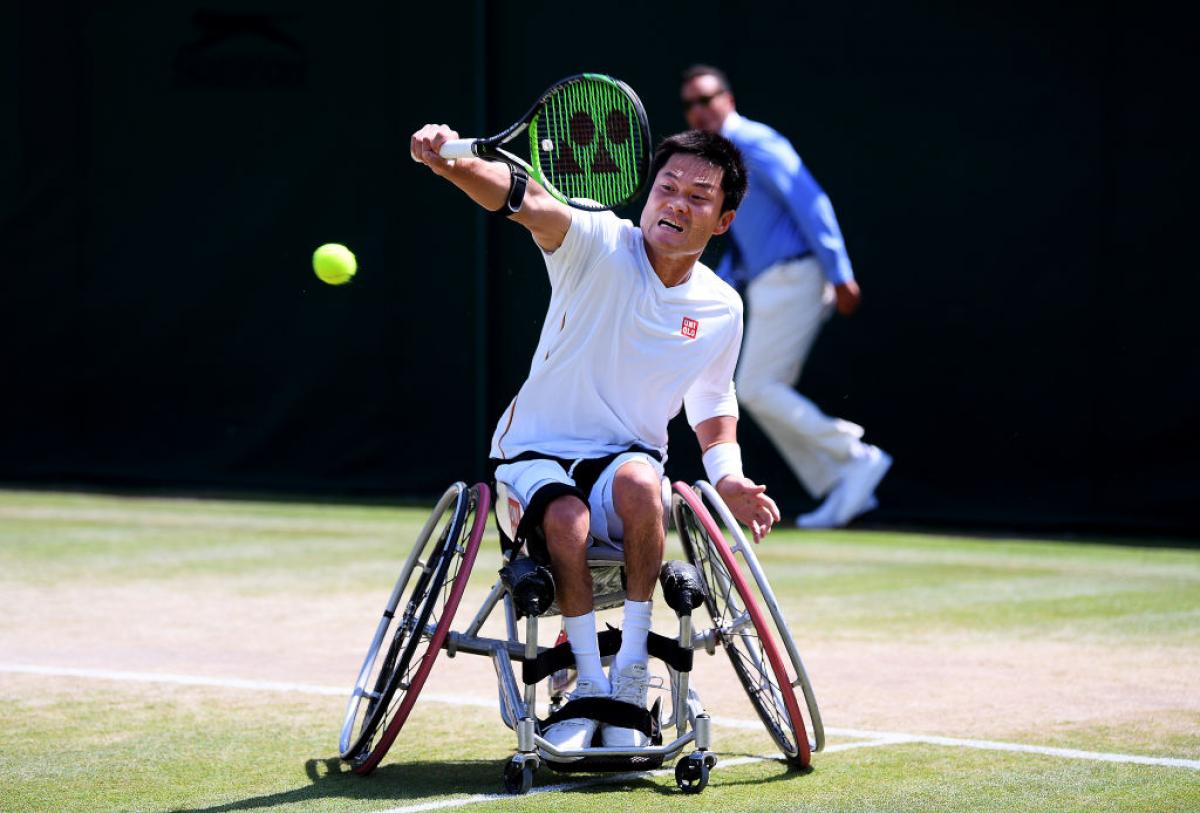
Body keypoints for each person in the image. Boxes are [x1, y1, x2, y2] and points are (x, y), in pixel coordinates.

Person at [410, 123, 780, 754]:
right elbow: (524, 200)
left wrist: (729, 477)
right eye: (667, 188)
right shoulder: (599, 241)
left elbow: (713, 400)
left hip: (625, 462)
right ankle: (584, 681)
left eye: (698, 197)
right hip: (532, 454)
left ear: (722, 221)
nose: (677, 204)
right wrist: (450, 166)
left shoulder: (722, 307)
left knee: (643, 483)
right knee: (568, 516)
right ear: (649, 194)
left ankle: (630, 676)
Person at [679, 64, 891, 529]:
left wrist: (840, 272)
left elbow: (809, 199)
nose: (699, 111)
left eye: (707, 99)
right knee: (763, 389)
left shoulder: (753, 141)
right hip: (772, 281)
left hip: (795, 275)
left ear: (728, 98)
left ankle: (854, 458)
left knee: (753, 388)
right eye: (690, 104)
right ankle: (846, 475)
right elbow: (744, 240)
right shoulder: (724, 158)